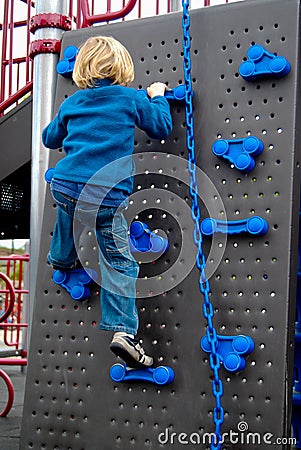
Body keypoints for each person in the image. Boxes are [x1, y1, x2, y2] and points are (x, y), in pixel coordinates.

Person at [42, 35, 173, 368]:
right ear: (123, 69)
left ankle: (60, 258)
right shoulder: (130, 99)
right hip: (105, 197)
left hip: (66, 185)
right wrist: (157, 97)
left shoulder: (72, 102)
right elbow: (161, 126)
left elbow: (49, 138)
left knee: (68, 214)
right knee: (120, 261)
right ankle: (123, 332)